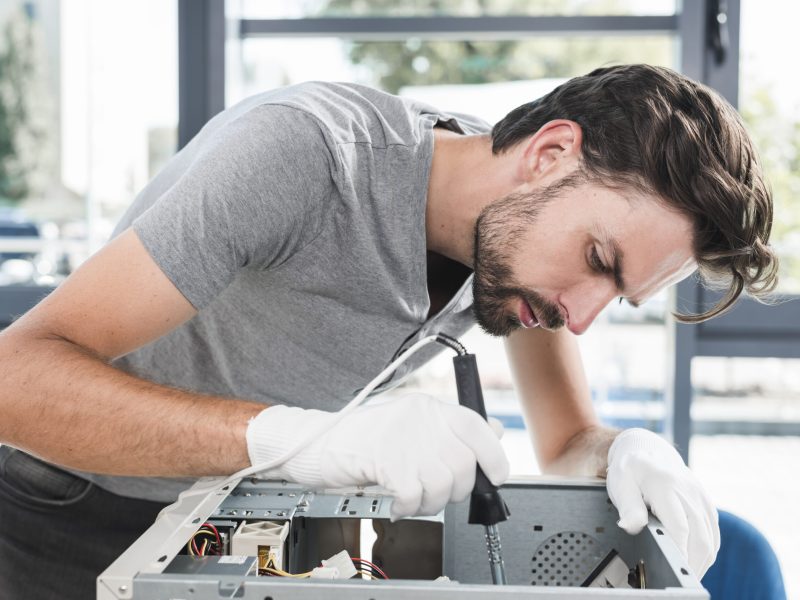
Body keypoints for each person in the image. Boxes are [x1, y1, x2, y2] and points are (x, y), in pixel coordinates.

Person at [0, 64, 776, 599]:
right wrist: (306, 441)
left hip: (223, 521)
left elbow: (566, 440)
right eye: (599, 261)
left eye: (621, 294)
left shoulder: (515, 251)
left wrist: (623, 451)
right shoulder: (305, 156)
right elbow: (16, 379)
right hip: (61, 506)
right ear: (549, 154)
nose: (583, 315)